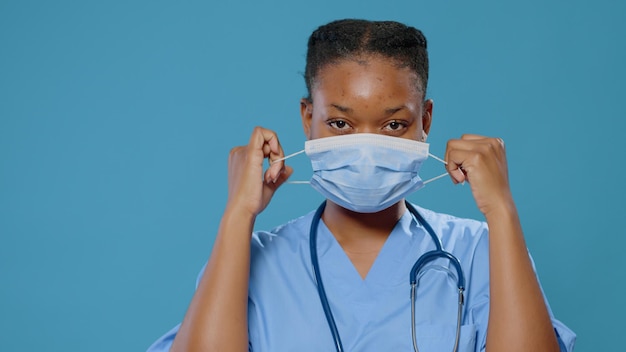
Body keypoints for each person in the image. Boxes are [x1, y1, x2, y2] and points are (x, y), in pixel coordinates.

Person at [147, 19, 575, 351]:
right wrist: (237, 216)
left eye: (394, 124)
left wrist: (502, 210)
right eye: (339, 123)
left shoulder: (480, 249)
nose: (367, 145)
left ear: (424, 122)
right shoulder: (249, 259)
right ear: (306, 119)